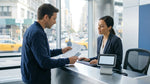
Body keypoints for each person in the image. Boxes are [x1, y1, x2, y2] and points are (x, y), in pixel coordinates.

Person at [21, 4, 78, 84]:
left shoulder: (33, 29)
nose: (55, 22)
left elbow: (42, 54)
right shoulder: (37, 33)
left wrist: (61, 51)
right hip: (36, 80)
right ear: (46, 17)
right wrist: (68, 60)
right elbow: (44, 62)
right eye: (54, 19)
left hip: (32, 78)